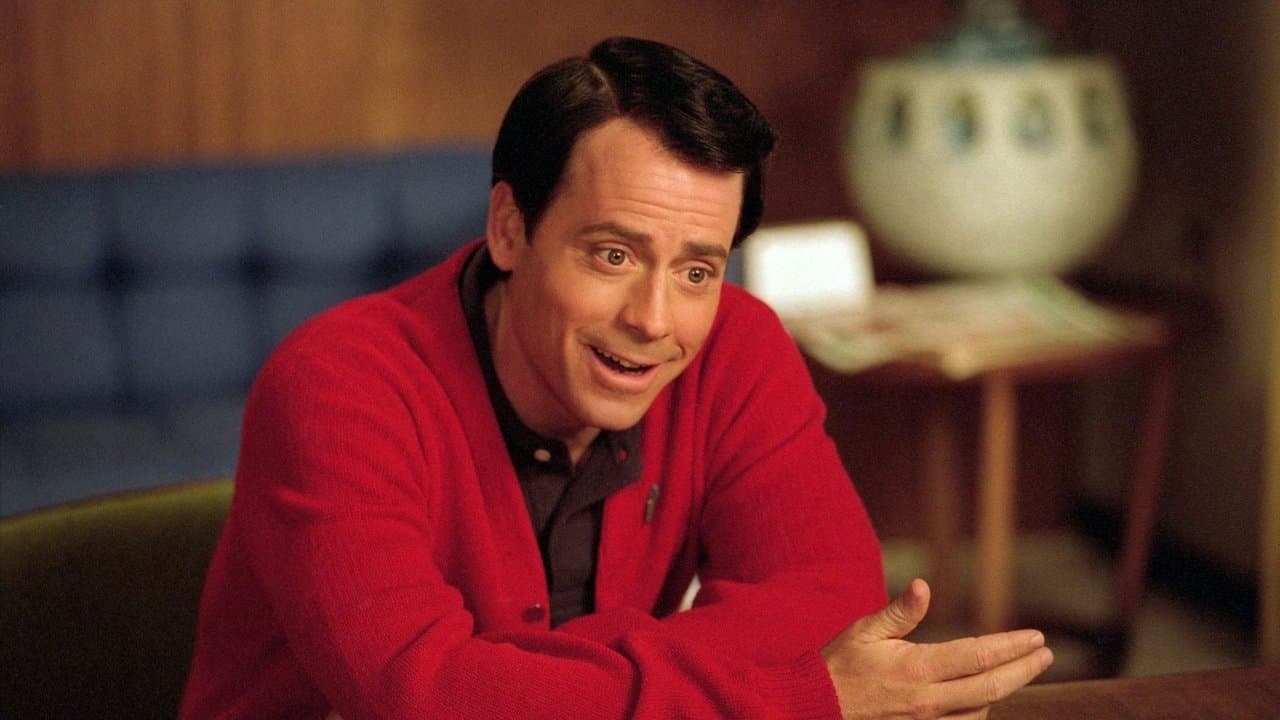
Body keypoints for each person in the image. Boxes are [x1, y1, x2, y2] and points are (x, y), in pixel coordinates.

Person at [181, 36, 1051, 719]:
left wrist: (510, 686)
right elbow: (425, 699)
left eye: (697, 270)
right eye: (613, 255)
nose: (655, 320)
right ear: (509, 228)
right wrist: (786, 699)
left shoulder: (739, 346)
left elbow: (828, 606)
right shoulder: (335, 387)